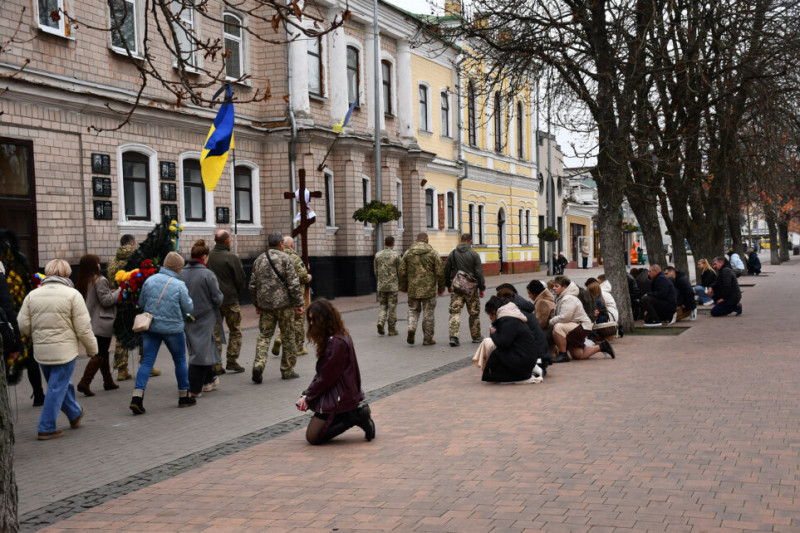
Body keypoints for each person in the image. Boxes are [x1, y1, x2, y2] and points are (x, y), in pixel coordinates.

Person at [18, 259, 97, 440]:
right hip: (64, 351)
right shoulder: (72, 295)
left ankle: (75, 413)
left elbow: (22, 326)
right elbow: (83, 327)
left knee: (58, 385)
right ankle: (46, 427)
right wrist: (92, 349)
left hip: (41, 351)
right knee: (57, 387)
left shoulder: (33, 295)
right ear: (67, 273)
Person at [295, 299, 375, 445]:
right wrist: (307, 394)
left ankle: (355, 417)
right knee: (313, 435)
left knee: (313, 437)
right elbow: (323, 374)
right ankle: (351, 415)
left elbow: (325, 378)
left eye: (314, 320)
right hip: (340, 393)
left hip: (340, 396)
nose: (311, 324)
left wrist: (308, 398)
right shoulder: (337, 337)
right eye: (310, 320)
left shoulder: (336, 342)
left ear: (324, 319)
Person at [129, 252, 195, 414]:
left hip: (151, 328)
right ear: (178, 268)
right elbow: (188, 308)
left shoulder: (149, 281)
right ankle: (183, 396)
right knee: (179, 360)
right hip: (173, 330)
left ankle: (137, 397)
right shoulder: (179, 285)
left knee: (147, 362)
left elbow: (142, 302)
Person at [250, 232, 304, 382]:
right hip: (285, 305)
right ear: (281, 243)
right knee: (288, 336)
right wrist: (299, 303)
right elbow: (294, 284)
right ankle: (287, 370)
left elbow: (252, 285)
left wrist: (256, 304)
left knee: (264, 336)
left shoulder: (259, 260)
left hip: (266, 306)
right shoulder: (286, 259)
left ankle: (258, 365)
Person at [107, 234, 161, 381]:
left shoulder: (112, 263)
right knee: (144, 332)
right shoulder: (137, 262)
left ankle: (122, 369)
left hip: (119, 302)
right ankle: (147, 365)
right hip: (136, 302)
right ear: (131, 245)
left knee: (122, 336)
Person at [180, 240, 225, 398]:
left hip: (187, 317)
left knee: (200, 348)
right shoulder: (207, 274)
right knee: (200, 352)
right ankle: (195, 388)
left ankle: (208, 379)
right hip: (205, 317)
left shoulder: (182, 272)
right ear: (204, 256)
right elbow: (217, 298)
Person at [75, 254, 121, 396]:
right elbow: (106, 301)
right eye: (97, 262)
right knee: (100, 353)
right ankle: (85, 382)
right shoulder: (100, 280)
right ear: (93, 265)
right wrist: (120, 290)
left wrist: (109, 293)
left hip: (90, 320)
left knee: (103, 351)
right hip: (102, 321)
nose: (99, 264)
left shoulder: (83, 280)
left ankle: (108, 381)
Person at [206, 229, 247, 374]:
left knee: (215, 332)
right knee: (235, 330)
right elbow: (240, 279)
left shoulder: (208, 257)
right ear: (227, 241)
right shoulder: (232, 258)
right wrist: (236, 292)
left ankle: (216, 364)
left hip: (213, 301)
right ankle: (232, 360)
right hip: (230, 299)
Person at [472, 296, 539, 383]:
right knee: (490, 344)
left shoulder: (508, 320)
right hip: (525, 359)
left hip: (521, 362)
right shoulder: (512, 316)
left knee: (488, 344)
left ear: (493, 312)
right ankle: (490, 371)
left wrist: (493, 333)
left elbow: (503, 343)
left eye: (490, 316)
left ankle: (491, 371)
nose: (491, 319)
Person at [548, 276, 615, 362]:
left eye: (556, 286)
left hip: (582, 326)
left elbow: (565, 317)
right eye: (554, 286)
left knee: (558, 327)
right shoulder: (565, 297)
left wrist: (551, 321)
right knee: (578, 355)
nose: (553, 288)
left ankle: (563, 354)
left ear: (564, 287)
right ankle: (602, 347)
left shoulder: (568, 298)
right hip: (579, 326)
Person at [398, 233, 445, 346]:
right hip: (429, 289)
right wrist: (441, 287)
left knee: (413, 310)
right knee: (428, 314)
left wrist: (403, 286)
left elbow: (401, 271)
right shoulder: (433, 253)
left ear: (417, 240)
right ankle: (427, 339)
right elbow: (440, 272)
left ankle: (411, 328)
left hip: (413, 288)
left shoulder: (408, 253)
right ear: (427, 240)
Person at [271, 236, 311, 359]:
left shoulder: (275, 257)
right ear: (292, 245)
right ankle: (298, 347)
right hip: (296, 293)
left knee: (284, 318)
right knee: (298, 320)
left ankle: (279, 337)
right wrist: (308, 276)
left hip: (280, 294)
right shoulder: (294, 257)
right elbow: (302, 276)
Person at [444, 233, 486, 347]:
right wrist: (482, 287)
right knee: (474, 313)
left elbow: (446, 270)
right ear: (470, 241)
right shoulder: (474, 254)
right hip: (471, 289)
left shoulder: (452, 253)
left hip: (457, 287)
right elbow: (479, 273)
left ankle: (454, 336)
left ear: (460, 240)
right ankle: (476, 336)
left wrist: (448, 284)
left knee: (455, 311)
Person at [373, 235, 401, 336]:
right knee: (392, 307)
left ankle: (380, 322)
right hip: (393, 286)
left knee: (383, 306)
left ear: (384, 243)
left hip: (381, 285)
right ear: (393, 244)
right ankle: (392, 329)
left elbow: (375, 271)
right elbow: (400, 271)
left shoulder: (378, 255)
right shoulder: (396, 255)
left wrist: (380, 280)